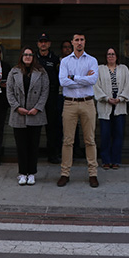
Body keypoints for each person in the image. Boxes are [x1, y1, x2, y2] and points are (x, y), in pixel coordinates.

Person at [57, 32, 100, 188]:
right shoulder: (65, 61)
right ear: (72, 42)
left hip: (88, 103)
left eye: (82, 40)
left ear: (85, 42)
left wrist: (73, 77)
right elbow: (62, 81)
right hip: (69, 103)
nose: (79, 42)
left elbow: (93, 80)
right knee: (68, 140)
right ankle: (65, 173)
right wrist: (82, 79)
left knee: (90, 140)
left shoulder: (92, 60)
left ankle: (93, 174)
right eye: (77, 40)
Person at [6, 47, 49, 185]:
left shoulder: (41, 72)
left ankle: (32, 173)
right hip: (19, 114)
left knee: (33, 145)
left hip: (35, 114)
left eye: (30, 55)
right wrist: (17, 107)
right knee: (21, 145)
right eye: (25, 54)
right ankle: (22, 172)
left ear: (33, 57)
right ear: (21, 56)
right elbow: (10, 92)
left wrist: (37, 108)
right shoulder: (14, 71)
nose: (28, 57)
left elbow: (45, 91)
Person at [95, 47, 129, 169]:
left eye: (113, 54)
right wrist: (106, 98)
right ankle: (106, 160)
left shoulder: (124, 69)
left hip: (119, 106)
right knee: (105, 134)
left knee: (118, 134)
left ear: (117, 56)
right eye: (108, 54)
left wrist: (120, 98)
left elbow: (128, 85)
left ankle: (116, 160)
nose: (111, 56)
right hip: (105, 107)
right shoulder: (100, 69)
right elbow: (96, 86)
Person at [35, 33, 62, 164]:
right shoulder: (33, 58)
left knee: (52, 127)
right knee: (35, 127)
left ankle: (53, 155)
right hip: (35, 97)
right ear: (38, 44)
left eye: (45, 41)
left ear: (49, 44)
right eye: (41, 42)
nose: (43, 44)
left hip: (51, 97)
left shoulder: (55, 59)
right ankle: (33, 155)